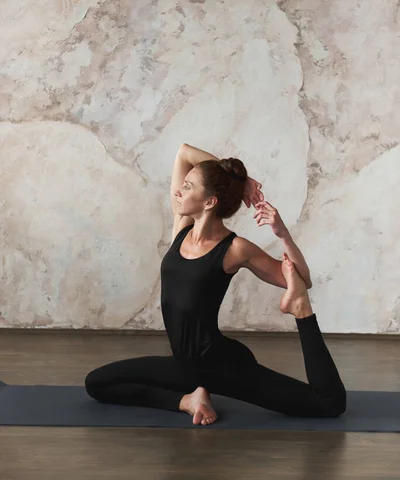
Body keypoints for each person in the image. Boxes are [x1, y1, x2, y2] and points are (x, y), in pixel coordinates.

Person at [85, 143, 346, 425]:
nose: (178, 191)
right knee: (97, 383)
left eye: (188, 187)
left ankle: (301, 311)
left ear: (210, 202)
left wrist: (282, 234)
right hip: (184, 366)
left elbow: (301, 279)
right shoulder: (182, 227)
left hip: (222, 367)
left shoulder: (234, 249)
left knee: (328, 404)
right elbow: (184, 153)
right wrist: (240, 181)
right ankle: (189, 400)